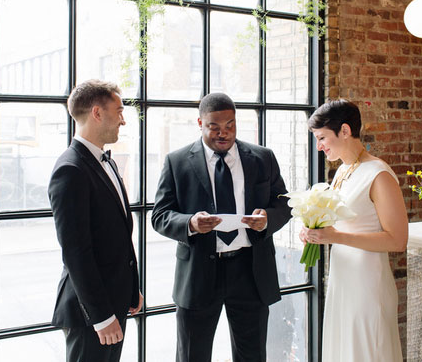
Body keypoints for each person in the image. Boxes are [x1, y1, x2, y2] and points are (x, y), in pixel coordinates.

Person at [152, 92, 292, 362]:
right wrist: (190, 223)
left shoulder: (263, 158)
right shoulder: (177, 162)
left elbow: (284, 204)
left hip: (250, 271)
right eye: (214, 127)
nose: (223, 133)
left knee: (252, 356)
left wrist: (267, 219)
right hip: (199, 274)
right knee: (193, 355)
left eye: (230, 126)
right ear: (200, 123)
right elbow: (160, 215)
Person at [300, 99, 407, 362]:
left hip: (368, 283)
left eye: (322, 137)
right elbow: (345, 223)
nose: (319, 146)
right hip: (342, 279)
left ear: (345, 131)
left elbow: (397, 240)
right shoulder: (342, 172)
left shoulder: (378, 174)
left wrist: (335, 237)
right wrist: (315, 230)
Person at [48, 80, 142, 362]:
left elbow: (117, 236)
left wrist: (130, 288)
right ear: (97, 113)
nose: (123, 120)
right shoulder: (70, 170)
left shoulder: (107, 161)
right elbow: (76, 253)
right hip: (90, 311)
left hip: (115, 300)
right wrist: (101, 317)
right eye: (119, 111)